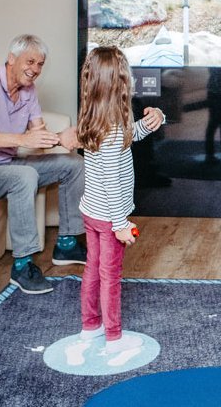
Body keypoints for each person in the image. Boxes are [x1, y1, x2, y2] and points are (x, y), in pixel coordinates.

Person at [0, 34, 86, 294]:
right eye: (30, 61)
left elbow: (38, 135)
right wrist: (21, 139)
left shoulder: (28, 91)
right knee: (24, 176)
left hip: (8, 163)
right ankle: (22, 265)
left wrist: (60, 138)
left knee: (74, 164)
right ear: (12, 58)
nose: (35, 69)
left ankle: (67, 245)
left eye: (40, 64)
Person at [73, 46, 164, 354]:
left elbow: (130, 135)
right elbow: (111, 181)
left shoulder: (96, 120)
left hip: (92, 211)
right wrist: (120, 224)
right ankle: (113, 337)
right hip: (109, 216)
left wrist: (154, 120)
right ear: (120, 83)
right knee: (110, 275)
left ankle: (90, 326)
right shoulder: (111, 131)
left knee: (93, 268)